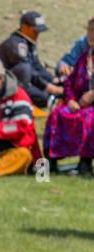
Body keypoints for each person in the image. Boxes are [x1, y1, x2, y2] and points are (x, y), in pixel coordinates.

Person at [45, 26, 94, 176]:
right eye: (90, 30)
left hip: (91, 107)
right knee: (56, 114)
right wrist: (71, 100)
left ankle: (85, 163)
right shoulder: (84, 57)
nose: (91, 34)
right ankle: (48, 164)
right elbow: (69, 83)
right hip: (78, 104)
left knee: (88, 118)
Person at [0, 11, 64, 107]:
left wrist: (52, 80)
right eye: (35, 31)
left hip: (24, 81)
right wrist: (48, 86)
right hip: (5, 84)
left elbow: (37, 66)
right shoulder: (15, 45)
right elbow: (29, 72)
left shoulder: (29, 42)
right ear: (24, 27)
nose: (37, 35)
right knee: (25, 69)